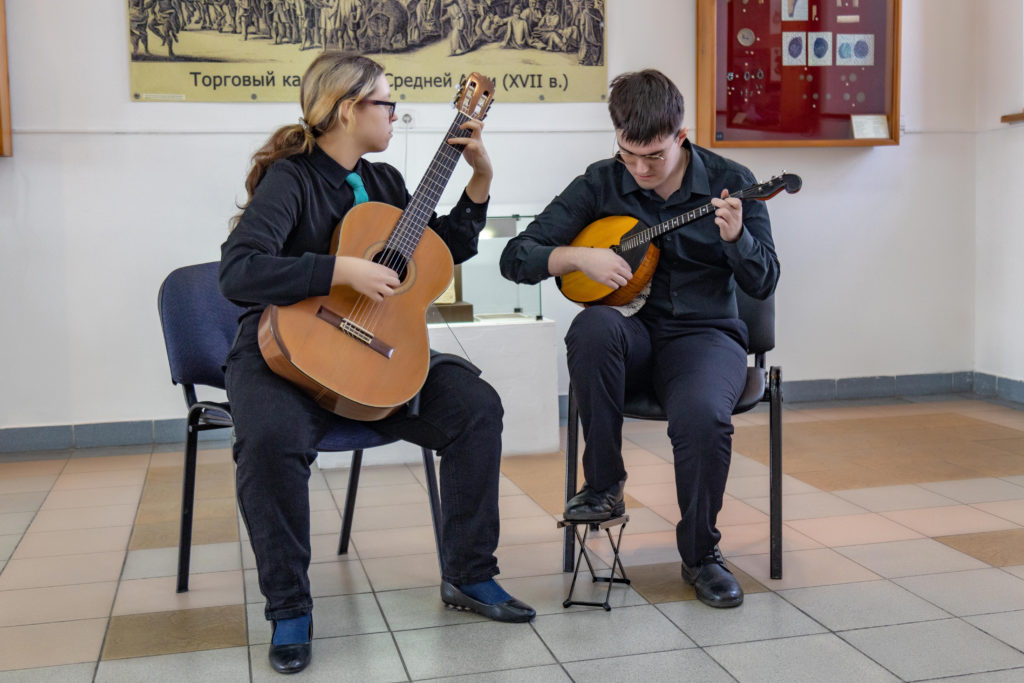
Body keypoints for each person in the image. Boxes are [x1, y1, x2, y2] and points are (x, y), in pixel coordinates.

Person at [220, 52, 535, 675]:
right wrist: (339, 269)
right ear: (347, 109)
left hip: (379, 355)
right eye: (387, 103)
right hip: (283, 355)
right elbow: (238, 270)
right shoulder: (292, 179)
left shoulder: (388, 183)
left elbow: (440, 254)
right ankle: (289, 606)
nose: (396, 113)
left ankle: (470, 575)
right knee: (270, 439)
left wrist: (478, 180)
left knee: (476, 408)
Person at [499, 69, 779, 609]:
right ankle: (603, 486)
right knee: (593, 325)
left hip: (704, 336)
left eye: (654, 156)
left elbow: (764, 281)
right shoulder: (601, 182)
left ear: (681, 135)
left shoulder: (732, 180)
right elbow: (518, 256)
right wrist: (577, 257)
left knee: (701, 418)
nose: (641, 169)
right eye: (630, 154)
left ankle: (701, 555)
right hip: (629, 336)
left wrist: (737, 238)